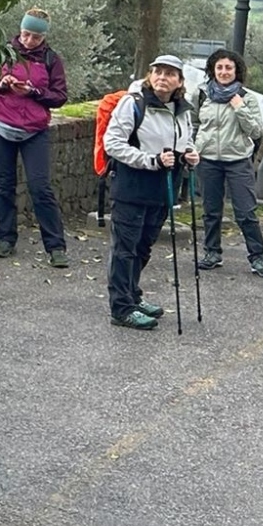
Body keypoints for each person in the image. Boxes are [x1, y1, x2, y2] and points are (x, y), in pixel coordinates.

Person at [101, 55, 199, 331]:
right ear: (149, 74)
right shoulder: (133, 104)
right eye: (157, 72)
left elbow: (185, 138)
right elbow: (113, 143)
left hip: (162, 190)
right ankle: (121, 309)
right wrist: (151, 160)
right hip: (132, 187)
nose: (162, 77)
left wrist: (189, 153)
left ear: (180, 81)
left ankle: (132, 296)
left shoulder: (182, 109)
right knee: (125, 249)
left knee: (143, 247)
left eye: (170, 73)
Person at [0, 9, 70, 267]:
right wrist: (2, 85)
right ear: (20, 30)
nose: (29, 41)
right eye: (26, 34)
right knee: (3, 184)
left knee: (40, 187)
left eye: (36, 37)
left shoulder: (52, 59)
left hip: (34, 130)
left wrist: (34, 91)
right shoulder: (3, 53)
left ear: (44, 37)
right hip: (0, 125)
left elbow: (60, 96)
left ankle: (56, 247)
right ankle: (5, 240)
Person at [190, 49, 263, 278]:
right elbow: (193, 124)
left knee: (246, 212)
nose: (224, 72)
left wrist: (239, 107)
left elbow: (256, 131)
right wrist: (195, 147)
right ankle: (212, 253)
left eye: (228, 68)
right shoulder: (202, 95)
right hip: (208, 161)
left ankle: (258, 258)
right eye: (219, 67)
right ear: (212, 70)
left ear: (236, 71)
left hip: (238, 161)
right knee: (211, 211)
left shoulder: (246, 97)